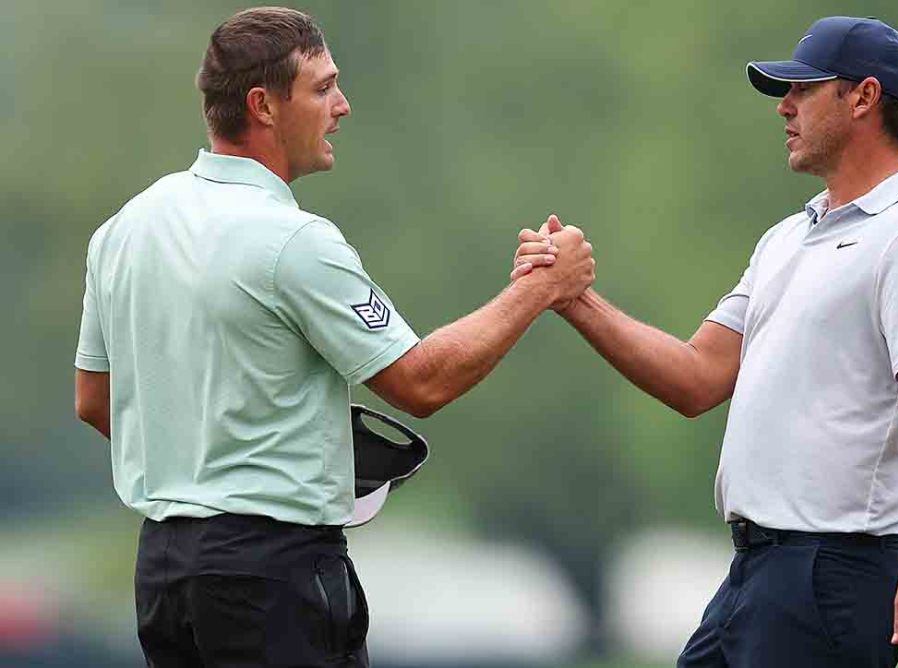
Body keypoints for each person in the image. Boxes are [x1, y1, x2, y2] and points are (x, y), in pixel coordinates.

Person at [72, 7, 594, 666]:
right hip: (272, 571)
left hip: (162, 576)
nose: (341, 106)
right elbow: (421, 381)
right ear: (263, 105)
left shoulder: (124, 228)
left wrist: (214, 447)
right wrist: (539, 289)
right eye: (321, 88)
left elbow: (96, 401)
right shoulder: (295, 240)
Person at [514, 16, 898, 668]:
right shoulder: (787, 238)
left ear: (864, 98)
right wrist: (571, 298)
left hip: (836, 569)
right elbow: (697, 376)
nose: (784, 107)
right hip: (756, 569)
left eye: (804, 90)